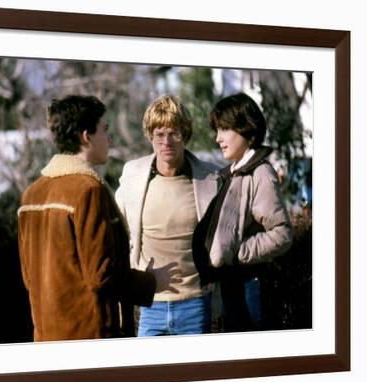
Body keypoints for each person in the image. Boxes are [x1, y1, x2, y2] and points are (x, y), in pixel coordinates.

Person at [17, 95, 156, 342]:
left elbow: (29, 278)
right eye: (104, 129)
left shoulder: (31, 194)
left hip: (46, 335)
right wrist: (149, 282)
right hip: (91, 335)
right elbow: (101, 275)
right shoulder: (88, 190)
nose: (109, 138)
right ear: (86, 136)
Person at [115, 95, 220, 336]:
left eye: (174, 133)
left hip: (195, 302)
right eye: (159, 134)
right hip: (150, 304)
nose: (166, 142)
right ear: (150, 136)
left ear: (186, 134)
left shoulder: (211, 178)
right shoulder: (133, 176)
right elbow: (115, 230)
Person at [193, 92, 293, 332]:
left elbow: (282, 234)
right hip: (232, 282)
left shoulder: (260, 173)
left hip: (250, 284)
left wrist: (238, 252)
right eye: (216, 130)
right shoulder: (233, 172)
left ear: (246, 128)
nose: (218, 138)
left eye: (224, 129)